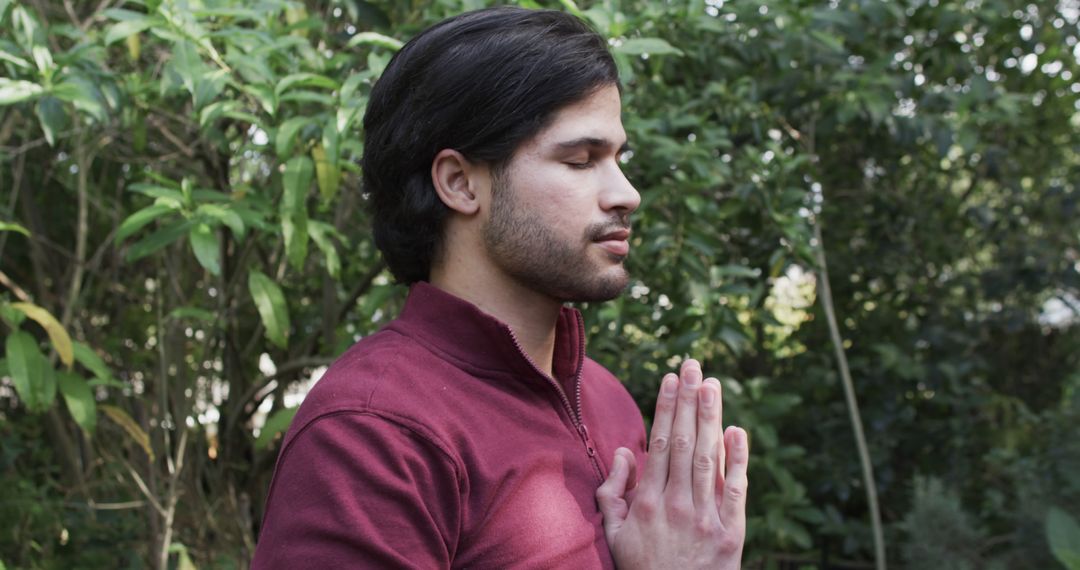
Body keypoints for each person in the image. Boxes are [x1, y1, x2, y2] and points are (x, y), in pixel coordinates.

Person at [251, 6, 749, 569]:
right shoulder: (372, 432)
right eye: (581, 160)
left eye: (618, 158)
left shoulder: (606, 399)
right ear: (461, 183)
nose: (626, 193)